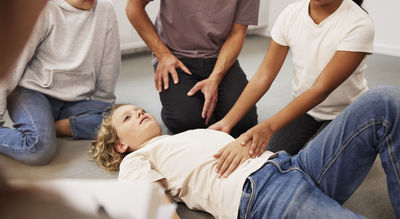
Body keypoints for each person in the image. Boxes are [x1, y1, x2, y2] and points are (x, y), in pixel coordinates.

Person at [90, 86, 400, 219]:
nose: (139, 112)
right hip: (262, 195)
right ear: (121, 145)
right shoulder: (136, 159)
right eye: (127, 117)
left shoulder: (180, 138)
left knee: (381, 101)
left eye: (139, 108)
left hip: (292, 165)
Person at [209, 0, 375, 157]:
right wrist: (228, 121)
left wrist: (268, 126)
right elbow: (263, 75)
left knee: (311, 165)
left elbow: (321, 89)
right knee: (264, 157)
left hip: (345, 114)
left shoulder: (358, 24)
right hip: (304, 110)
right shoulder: (290, 15)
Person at [0, 0, 121, 165]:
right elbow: (13, 64)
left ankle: (56, 125)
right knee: (37, 148)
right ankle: (46, 126)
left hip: (77, 98)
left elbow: (109, 61)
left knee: (122, 121)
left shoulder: (105, 8)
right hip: (34, 92)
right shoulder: (43, 10)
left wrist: (104, 103)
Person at [126, 0, 261, 137]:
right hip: (175, 57)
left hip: (219, 58)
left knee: (243, 122)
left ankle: (211, 100)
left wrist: (215, 78)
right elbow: (133, 7)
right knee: (187, 123)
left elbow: (237, 33)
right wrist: (163, 55)